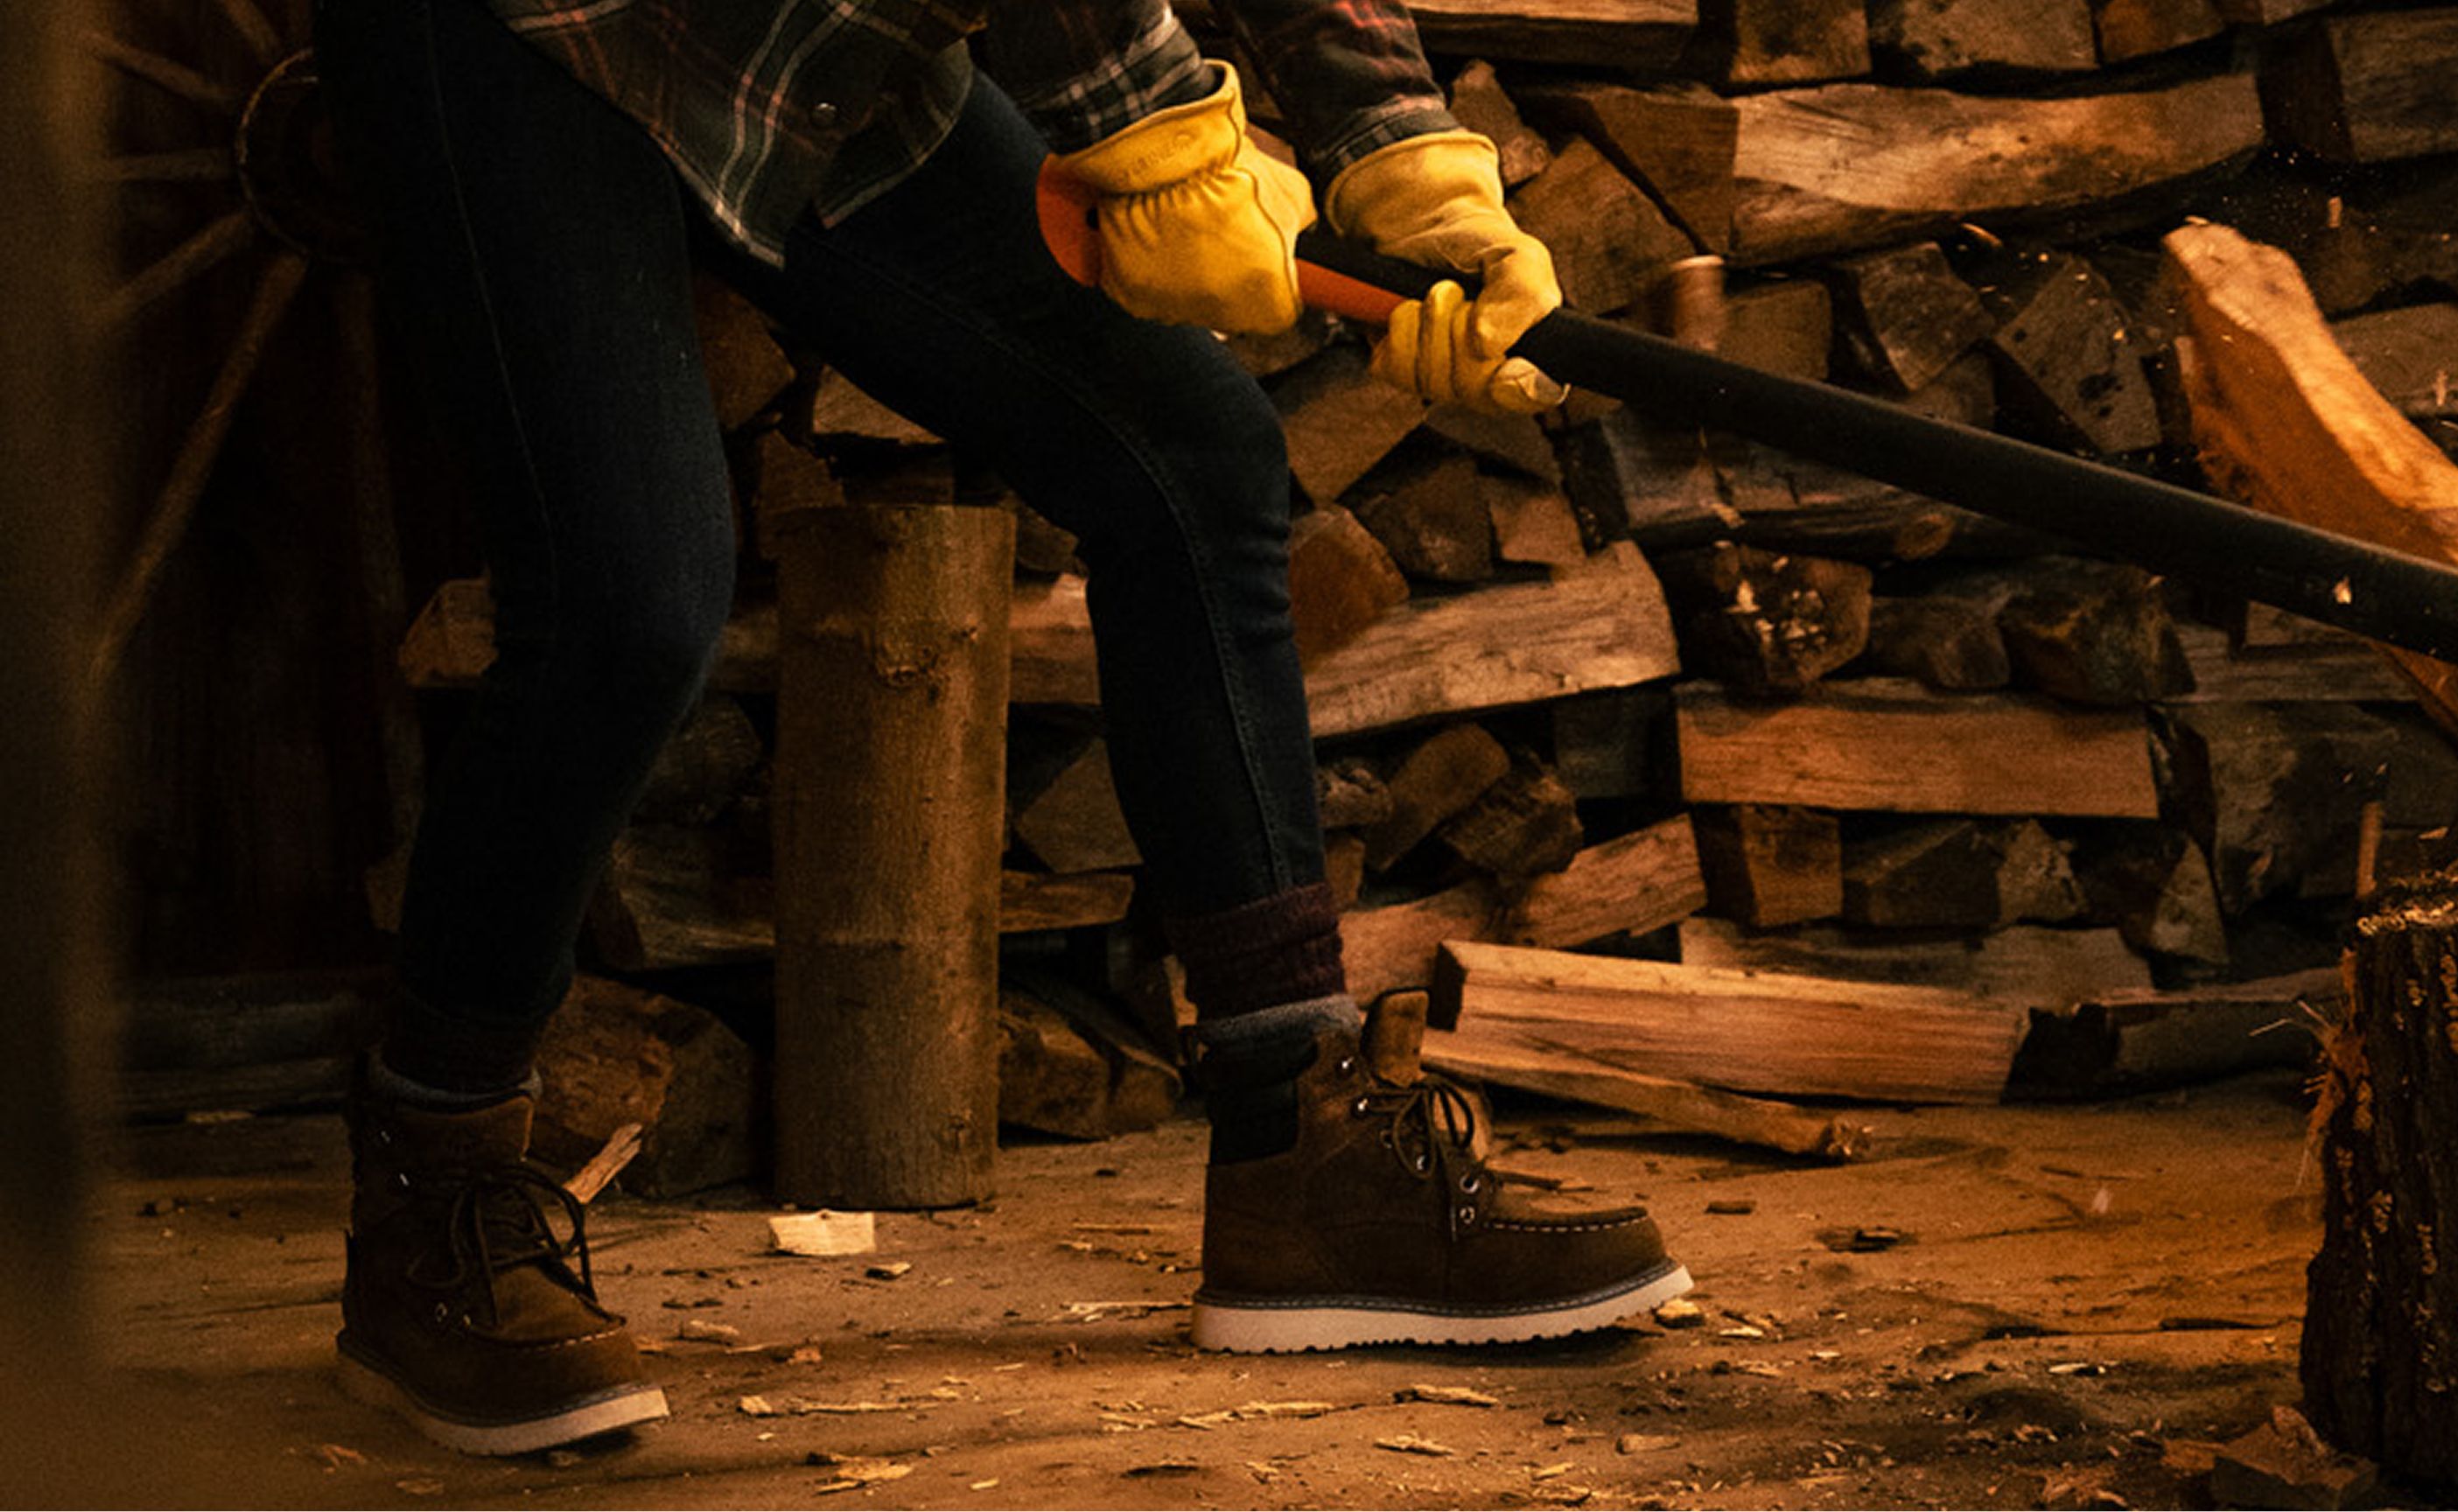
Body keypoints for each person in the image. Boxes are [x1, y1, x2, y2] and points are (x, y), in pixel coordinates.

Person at [312, 0, 1691, 1458]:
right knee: (625, 605)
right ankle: (429, 1202)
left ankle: (1300, 1148)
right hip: (538, 33)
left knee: (1191, 453)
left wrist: (1410, 164)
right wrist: (1152, 127)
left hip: (816, 48)